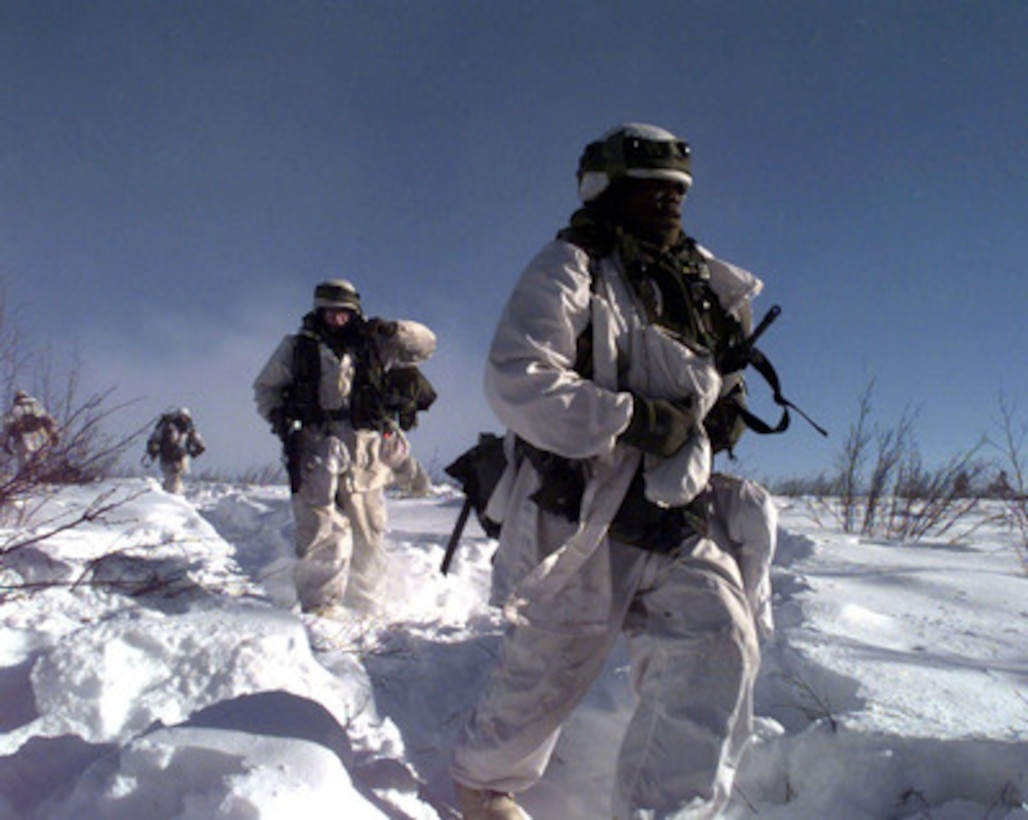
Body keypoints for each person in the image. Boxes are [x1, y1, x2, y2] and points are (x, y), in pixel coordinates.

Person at [450, 124, 778, 820]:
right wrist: (631, 419)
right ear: (607, 190)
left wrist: (725, 412)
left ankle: (667, 811)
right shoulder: (571, 264)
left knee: (719, 640)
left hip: (676, 506)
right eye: (651, 189)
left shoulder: (706, 283)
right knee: (549, 667)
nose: (669, 203)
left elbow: (718, 377)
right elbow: (517, 375)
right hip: (581, 507)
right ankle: (484, 788)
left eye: (678, 192)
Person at [253, 279, 437, 615]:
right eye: (329, 311)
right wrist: (280, 419)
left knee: (368, 530)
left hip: (365, 446)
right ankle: (319, 607)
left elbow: (425, 347)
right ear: (318, 311)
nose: (336, 319)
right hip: (315, 443)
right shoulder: (297, 347)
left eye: (343, 312)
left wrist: (396, 331)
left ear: (355, 312)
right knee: (319, 526)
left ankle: (366, 606)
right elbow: (266, 388)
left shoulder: (377, 344)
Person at [145, 408, 206, 494]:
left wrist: (197, 450)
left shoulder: (189, 428)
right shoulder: (167, 425)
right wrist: (153, 448)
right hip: (168, 457)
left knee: (174, 478)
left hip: (180, 458)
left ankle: (172, 497)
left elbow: (198, 442)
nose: (183, 419)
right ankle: (171, 497)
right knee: (171, 479)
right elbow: (155, 438)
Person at [2, 390, 58, 473]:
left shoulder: (13, 410)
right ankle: (41, 476)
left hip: (21, 438)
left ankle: (25, 478)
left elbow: (7, 428)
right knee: (40, 458)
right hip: (39, 436)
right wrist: (53, 434)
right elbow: (48, 421)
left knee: (23, 460)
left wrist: (5, 443)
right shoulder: (37, 407)